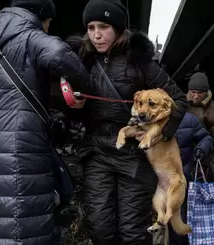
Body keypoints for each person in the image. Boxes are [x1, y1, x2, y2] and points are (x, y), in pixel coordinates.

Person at [66, 0, 188, 244]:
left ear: (119, 29)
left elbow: (178, 100)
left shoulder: (139, 61)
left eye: (104, 27)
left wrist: (160, 134)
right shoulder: (81, 61)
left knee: (132, 231)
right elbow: (70, 111)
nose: (96, 35)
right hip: (97, 153)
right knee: (100, 229)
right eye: (90, 28)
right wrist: (73, 106)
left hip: (134, 157)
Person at [0, 0, 92, 244]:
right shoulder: (30, 35)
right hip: (21, 139)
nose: (47, 28)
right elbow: (59, 54)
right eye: (48, 23)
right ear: (41, 17)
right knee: (24, 211)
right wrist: (84, 86)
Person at [168, 112, 214, 245]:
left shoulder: (189, 119)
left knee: (182, 215)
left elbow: (206, 138)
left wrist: (200, 150)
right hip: (159, 177)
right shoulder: (147, 117)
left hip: (184, 173)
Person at [186, 72, 214, 181]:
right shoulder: (180, 105)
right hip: (180, 160)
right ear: (188, 91)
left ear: (206, 92)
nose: (196, 96)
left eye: (200, 93)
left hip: (202, 161)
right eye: (193, 92)